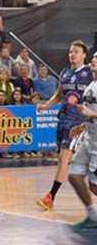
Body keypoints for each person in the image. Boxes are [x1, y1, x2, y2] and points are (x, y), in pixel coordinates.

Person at [36, 41, 92, 211]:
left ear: (84, 55)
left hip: (77, 121)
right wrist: (46, 105)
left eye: (76, 51)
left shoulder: (90, 73)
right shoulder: (65, 73)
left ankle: (50, 196)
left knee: (65, 157)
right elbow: (59, 94)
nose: (72, 54)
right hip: (63, 118)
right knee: (63, 159)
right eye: (70, 51)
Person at [67, 53, 97, 231]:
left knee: (94, 186)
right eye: (94, 58)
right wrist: (82, 126)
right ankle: (93, 216)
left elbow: (91, 112)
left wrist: (91, 113)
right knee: (74, 176)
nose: (94, 60)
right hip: (89, 139)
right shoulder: (90, 86)